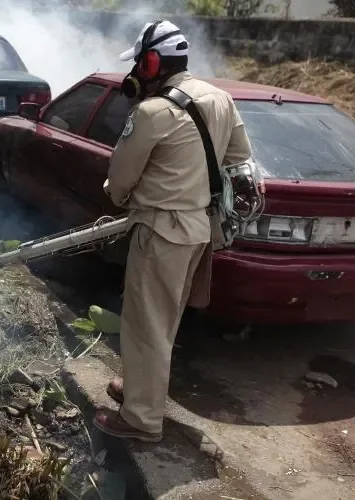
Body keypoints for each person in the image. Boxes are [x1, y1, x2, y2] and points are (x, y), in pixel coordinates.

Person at [96, 20, 252, 443]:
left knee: (146, 325)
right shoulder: (219, 99)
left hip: (161, 232)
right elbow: (239, 157)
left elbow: (121, 179)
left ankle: (141, 419)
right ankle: (138, 392)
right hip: (199, 232)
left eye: (140, 65)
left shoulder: (152, 112)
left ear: (151, 63)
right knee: (163, 321)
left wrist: (122, 192)